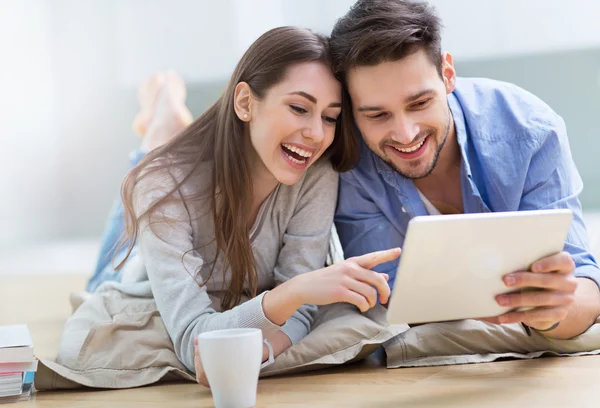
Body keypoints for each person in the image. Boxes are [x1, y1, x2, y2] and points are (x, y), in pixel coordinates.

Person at [86, 26, 400, 386]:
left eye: (330, 117)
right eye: (299, 108)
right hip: (139, 271)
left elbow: (302, 313)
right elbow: (193, 340)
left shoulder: (316, 172)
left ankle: (166, 128)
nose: (316, 133)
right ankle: (161, 122)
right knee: (108, 269)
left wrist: (263, 350)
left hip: (202, 179)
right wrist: (293, 292)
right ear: (246, 103)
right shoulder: (163, 186)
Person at [330, 0, 600, 339]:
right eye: (377, 115)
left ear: (448, 73)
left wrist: (552, 312)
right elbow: (391, 304)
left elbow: (584, 283)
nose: (406, 134)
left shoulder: (530, 130)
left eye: (420, 103)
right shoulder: (349, 161)